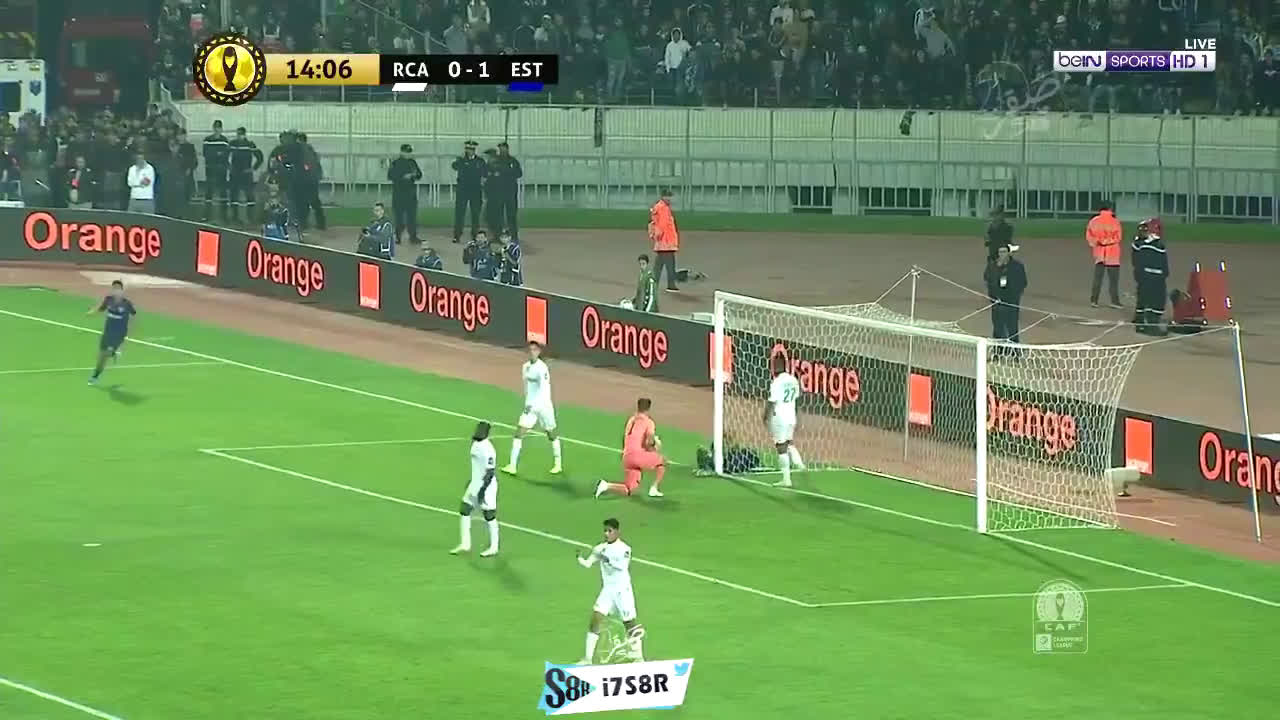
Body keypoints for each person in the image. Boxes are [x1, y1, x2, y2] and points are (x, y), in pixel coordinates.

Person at [576, 517, 644, 665]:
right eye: (605, 531)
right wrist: (580, 558)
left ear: (617, 532)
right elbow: (588, 563)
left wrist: (606, 558)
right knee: (595, 620)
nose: (606, 534)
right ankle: (587, 659)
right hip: (607, 590)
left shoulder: (624, 549)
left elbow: (622, 566)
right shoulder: (600, 548)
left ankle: (639, 657)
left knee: (629, 623)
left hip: (622, 590)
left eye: (610, 531)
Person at [502, 341, 563, 476]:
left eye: (535, 350)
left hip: (544, 406)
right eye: (530, 350)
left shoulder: (542, 368)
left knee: (551, 434)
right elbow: (527, 387)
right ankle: (512, 466)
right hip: (531, 406)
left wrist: (534, 403)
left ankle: (558, 464)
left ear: (539, 352)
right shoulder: (525, 367)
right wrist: (528, 402)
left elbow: (544, 388)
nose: (532, 352)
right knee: (519, 433)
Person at [596, 397, 666, 498]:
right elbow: (649, 442)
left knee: (628, 488)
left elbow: (630, 437)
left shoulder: (631, 420)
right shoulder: (648, 422)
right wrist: (656, 444)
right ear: (648, 409)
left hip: (627, 457)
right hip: (637, 456)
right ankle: (654, 488)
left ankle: (606, 485)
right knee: (662, 461)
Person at [451, 421, 500, 557]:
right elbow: (477, 466)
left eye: (481, 430)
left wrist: (482, 491)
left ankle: (494, 547)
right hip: (475, 483)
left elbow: (490, 473)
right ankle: (465, 544)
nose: (478, 432)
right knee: (465, 509)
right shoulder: (476, 444)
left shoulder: (488, 450)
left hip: (487, 487)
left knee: (489, 515)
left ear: (486, 433)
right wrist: (472, 481)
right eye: (478, 429)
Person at [765, 354, 805, 488]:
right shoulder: (793, 380)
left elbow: (772, 402)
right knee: (789, 442)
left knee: (781, 446)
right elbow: (796, 400)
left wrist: (765, 417)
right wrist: (797, 416)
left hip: (780, 417)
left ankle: (786, 479)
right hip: (791, 416)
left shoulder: (776, 382)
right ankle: (800, 464)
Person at [86, 280, 136, 385]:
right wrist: (91, 312)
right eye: (114, 288)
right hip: (107, 333)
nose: (116, 290)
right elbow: (100, 309)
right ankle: (96, 375)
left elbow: (133, 315)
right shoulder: (108, 300)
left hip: (119, 334)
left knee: (106, 353)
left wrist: (130, 331)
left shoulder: (126, 303)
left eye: (118, 288)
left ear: (122, 290)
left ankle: (112, 352)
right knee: (101, 357)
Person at [984, 244, 1027, 351]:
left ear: (1009, 253)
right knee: (998, 329)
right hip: (997, 303)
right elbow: (987, 279)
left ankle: (1015, 353)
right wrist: (993, 296)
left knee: (1012, 329)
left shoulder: (1017, 266)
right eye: (1000, 252)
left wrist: (1013, 296)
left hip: (1011, 303)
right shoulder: (993, 266)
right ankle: (998, 352)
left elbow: (1023, 283)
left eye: (1004, 252)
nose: (1002, 254)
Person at [1132, 219, 1169, 335]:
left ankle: (1140, 322)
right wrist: (1165, 274)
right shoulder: (1158, 245)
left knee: (1143, 298)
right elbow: (1163, 263)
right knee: (1157, 300)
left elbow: (1136, 260)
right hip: (1156, 277)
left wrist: (1139, 273)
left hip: (1143, 275)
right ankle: (1152, 326)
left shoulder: (1140, 244)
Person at [1086, 201, 1123, 308]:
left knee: (1097, 278)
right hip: (1112, 254)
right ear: (1110, 208)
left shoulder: (1094, 221)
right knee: (1113, 280)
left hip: (1099, 254)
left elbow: (1089, 236)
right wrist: (1107, 241)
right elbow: (1118, 237)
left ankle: (1094, 300)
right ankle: (1114, 302)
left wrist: (1097, 242)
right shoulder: (1115, 221)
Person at [227, 126, 264, 225]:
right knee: (234, 195)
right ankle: (235, 218)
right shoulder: (232, 144)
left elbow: (260, 157)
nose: (239, 136)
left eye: (241, 134)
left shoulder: (250, 144)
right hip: (235, 173)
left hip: (246, 174)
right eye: (238, 134)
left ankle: (250, 217)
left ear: (244, 134)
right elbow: (225, 155)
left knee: (249, 195)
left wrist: (253, 168)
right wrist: (229, 166)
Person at [388, 143, 423, 245]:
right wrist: (403, 177)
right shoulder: (395, 163)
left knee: (412, 216)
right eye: (406, 152)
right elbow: (390, 176)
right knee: (399, 217)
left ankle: (413, 237)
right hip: (399, 193)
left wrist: (413, 175)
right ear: (401, 152)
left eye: (409, 152)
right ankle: (398, 236)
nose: (408, 154)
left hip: (410, 194)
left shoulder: (412, 162)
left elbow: (419, 174)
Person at [452, 140, 485, 243]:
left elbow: (485, 173)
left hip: (475, 190)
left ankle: (475, 235)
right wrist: (461, 159)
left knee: (475, 213)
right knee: (459, 213)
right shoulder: (461, 160)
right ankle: (457, 235)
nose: (469, 151)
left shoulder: (480, 161)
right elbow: (454, 166)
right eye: (468, 149)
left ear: (474, 150)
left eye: (471, 149)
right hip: (462, 190)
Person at [486, 141, 523, 236]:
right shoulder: (495, 161)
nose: (502, 150)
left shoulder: (513, 161)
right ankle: (498, 234)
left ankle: (513, 234)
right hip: (498, 192)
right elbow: (489, 173)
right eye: (500, 148)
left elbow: (519, 173)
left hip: (510, 191)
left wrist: (506, 172)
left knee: (511, 214)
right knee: (498, 214)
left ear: (507, 149)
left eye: (504, 148)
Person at [649, 188, 680, 292]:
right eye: (668, 196)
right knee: (670, 264)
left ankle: (654, 283)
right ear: (663, 197)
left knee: (659, 264)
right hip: (666, 241)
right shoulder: (663, 208)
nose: (670, 198)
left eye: (670, 196)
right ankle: (670, 285)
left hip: (663, 241)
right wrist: (659, 236)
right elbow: (662, 225)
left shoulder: (660, 207)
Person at [201, 119, 230, 221]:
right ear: (213, 128)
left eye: (219, 127)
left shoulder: (224, 140)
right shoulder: (207, 140)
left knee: (223, 192)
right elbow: (206, 153)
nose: (217, 129)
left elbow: (226, 154)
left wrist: (215, 154)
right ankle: (207, 215)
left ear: (221, 129)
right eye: (216, 127)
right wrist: (217, 154)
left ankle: (224, 215)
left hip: (221, 169)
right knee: (209, 192)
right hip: (210, 169)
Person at [296, 132, 325, 230]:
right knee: (314, 201)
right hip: (313, 179)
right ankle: (321, 223)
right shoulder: (311, 150)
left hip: (305, 179)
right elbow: (317, 165)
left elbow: (304, 165)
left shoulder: (302, 150)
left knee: (304, 202)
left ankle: (303, 223)